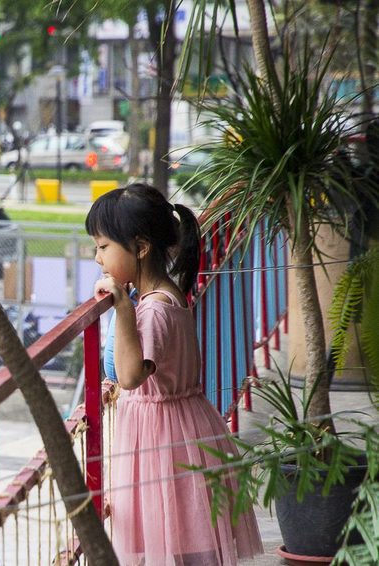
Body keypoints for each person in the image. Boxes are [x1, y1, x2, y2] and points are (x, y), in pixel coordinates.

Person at [87, 183, 262, 566]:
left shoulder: (152, 311)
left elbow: (131, 376)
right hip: (183, 426)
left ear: (141, 246)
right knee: (181, 534)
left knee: (170, 533)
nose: (97, 257)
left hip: (163, 437)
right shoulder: (167, 294)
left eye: (103, 247)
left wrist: (121, 307)